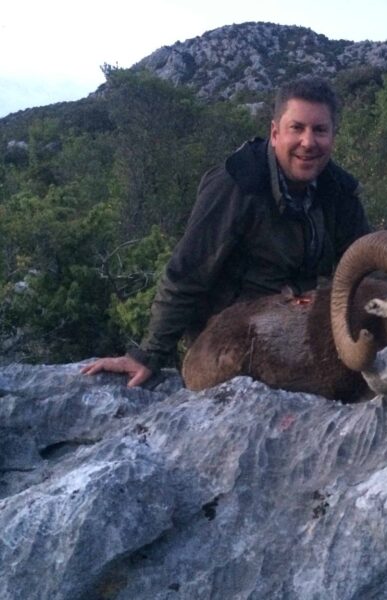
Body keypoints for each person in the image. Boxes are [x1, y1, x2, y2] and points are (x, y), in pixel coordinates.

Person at [82, 77, 370, 387]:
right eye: (296, 128)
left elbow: (366, 269)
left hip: (297, 323)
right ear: (275, 133)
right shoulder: (236, 184)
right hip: (230, 338)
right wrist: (149, 354)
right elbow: (186, 274)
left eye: (320, 130)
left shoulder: (340, 191)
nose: (308, 142)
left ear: (332, 137)